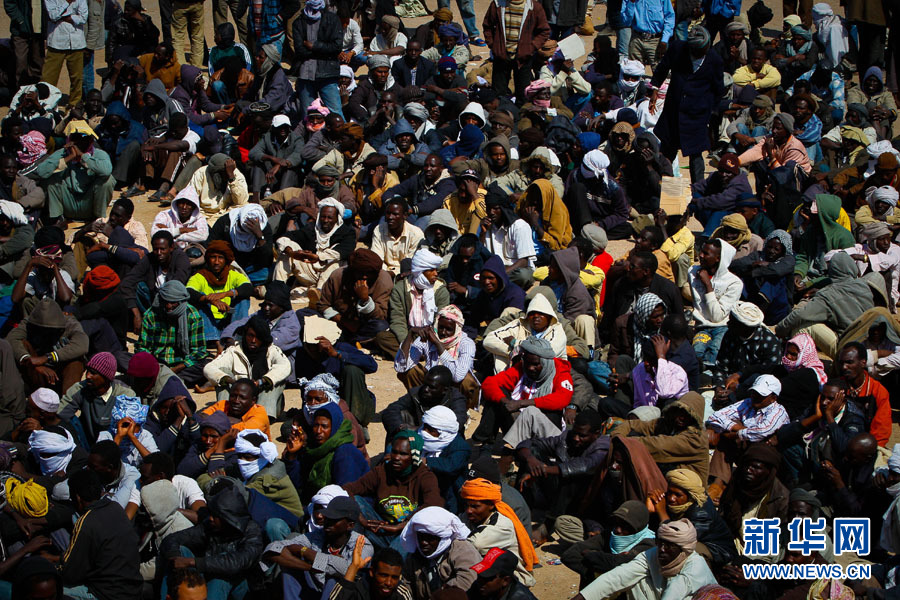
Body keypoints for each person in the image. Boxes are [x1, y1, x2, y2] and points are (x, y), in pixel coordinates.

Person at [159, 480, 266, 599]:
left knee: (222, 571)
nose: (210, 518)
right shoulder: (210, 527)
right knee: (180, 552)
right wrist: (176, 558)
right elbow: (172, 539)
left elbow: (236, 562)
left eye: (216, 516)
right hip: (208, 576)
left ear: (228, 518)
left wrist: (193, 562)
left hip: (240, 587)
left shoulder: (251, 531)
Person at [342, 430, 444, 550]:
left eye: (403, 454)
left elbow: (434, 504)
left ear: (414, 456)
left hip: (407, 533)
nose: (396, 458)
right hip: (382, 528)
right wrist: (360, 518)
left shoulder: (424, 476)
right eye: (394, 452)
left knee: (393, 555)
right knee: (355, 502)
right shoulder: (382, 471)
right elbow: (348, 489)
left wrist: (401, 526)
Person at [650, 27, 725, 183]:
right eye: (695, 50)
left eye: (702, 50)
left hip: (697, 114)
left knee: (696, 154)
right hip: (674, 110)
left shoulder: (714, 60)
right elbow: (663, 68)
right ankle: (664, 187)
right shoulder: (678, 48)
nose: (698, 53)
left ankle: (697, 191)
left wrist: (712, 114)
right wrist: (655, 89)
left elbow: (718, 89)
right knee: (667, 152)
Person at [573, 519, 717, 600]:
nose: (662, 549)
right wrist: (582, 597)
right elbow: (619, 576)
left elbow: (673, 593)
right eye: (661, 543)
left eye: (670, 546)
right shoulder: (653, 554)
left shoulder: (695, 566)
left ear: (683, 549)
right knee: (634, 579)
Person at [478, 336, 573, 455]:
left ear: (545, 362)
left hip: (544, 429)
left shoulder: (560, 372)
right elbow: (489, 383)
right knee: (496, 397)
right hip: (518, 422)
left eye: (535, 364)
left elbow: (562, 399)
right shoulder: (522, 368)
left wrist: (522, 403)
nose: (530, 368)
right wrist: (504, 401)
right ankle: (486, 445)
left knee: (552, 410)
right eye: (527, 363)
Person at [264, 495, 372, 599]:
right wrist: (310, 568)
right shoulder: (318, 535)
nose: (327, 522)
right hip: (316, 590)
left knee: (333, 579)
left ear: (350, 525)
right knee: (290, 564)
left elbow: (347, 569)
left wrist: (306, 552)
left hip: (344, 596)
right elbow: (273, 549)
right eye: (328, 517)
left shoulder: (362, 544)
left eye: (334, 520)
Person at [59, 469, 142, 599]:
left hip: (106, 594)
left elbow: (71, 574)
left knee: (52, 588)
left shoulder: (85, 522)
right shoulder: (115, 508)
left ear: (77, 497)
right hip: (133, 588)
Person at [203, 315, 291, 418]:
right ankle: (225, 415)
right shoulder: (234, 350)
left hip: (265, 404)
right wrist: (232, 382)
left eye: (258, 337)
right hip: (240, 404)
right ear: (245, 335)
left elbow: (285, 366)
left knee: (276, 378)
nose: (253, 340)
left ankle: (260, 418)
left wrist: (262, 381)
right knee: (222, 373)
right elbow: (209, 368)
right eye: (250, 336)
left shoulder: (272, 350)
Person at [24, 121, 114, 221]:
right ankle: (57, 219)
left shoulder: (98, 154)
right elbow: (41, 172)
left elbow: (106, 171)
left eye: (85, 137)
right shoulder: (62, 153)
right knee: (50, 178)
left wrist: (83, 157)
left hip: (88, 203)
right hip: (68, 202)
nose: (81, 141)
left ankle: (98, 219)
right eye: (77, 138)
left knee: (108, 180)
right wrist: (69, 157)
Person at [394, 304, 479, 407]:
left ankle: (459, 409)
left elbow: (458, 376)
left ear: (456, 329)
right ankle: (421, 404)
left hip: (453, 386)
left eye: (449, 329)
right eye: (441, 327)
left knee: (467, 381)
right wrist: (410, 334)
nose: (443, 332)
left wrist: (438, 345)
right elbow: (401, 367)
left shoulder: (467, 343)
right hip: (432, 385)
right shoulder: (428, 336)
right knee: (410, 371)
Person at [273, 198, 357, 301]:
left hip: (329, 276)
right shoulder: (312, 229)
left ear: (337, 218)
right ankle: (276, 292)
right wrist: (292, 253)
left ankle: (319, 294)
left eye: (330, 218)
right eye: (323, 217)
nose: (326, 220)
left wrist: (318, 257)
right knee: (285, 253)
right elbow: (286, 237)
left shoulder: (347, 232)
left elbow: (342, 251)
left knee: (337, 263)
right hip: (311, 272)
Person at [460, 477, 537, 587]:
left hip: (507, 579)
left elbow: (476, 543)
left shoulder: (502, 525)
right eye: (466, 505)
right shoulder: (469, 517)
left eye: (475, 506)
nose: (469, 511)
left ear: (491, 505)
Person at [287, 402, 370, 502]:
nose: (318, 431)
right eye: (316, 425)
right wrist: (292, 455)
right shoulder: (314, 448)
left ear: (334, 427)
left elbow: (344, 496)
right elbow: (300, 486)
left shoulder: (345, 453)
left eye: (324, 426)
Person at [7, 298, 89, 394]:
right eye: (42, 329)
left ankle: (67, 402)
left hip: (61, 369)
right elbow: (11, 339)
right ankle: (38, 397)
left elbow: (82, 345)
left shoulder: (70, 324)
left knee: (76, 362)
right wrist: (30, 361)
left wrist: (47, 357)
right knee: (23, 344)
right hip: (38, 372)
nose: (46, 332)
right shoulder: (29, 323)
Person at [136, 280, 209, 387]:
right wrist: (155, 367)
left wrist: (175, 369)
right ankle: (170, 380)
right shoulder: (151, 314)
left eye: (173, 302)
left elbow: (198, 351)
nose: (169, 306)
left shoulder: (193, 316)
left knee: (206, 366)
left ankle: (165, 380)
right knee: (123, 358)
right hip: (156, 364)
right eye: (166, 301)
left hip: (181, 365)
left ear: (181, 301)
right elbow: (143, 347)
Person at [399, 506, 482, 598]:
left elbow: (468, 580)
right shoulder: (415, 556)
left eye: (429, 538)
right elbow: (406, 585)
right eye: (421, 537)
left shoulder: (462, 549)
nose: (423, 542)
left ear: (442, 537)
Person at [482, 0, 551, 102]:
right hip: (501, 57)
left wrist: (531, 47)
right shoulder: (497, 5)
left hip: (523, 59)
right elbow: (487, 26)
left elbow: (544, 31)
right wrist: (494, 45)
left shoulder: (533, 7)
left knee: (523, 94)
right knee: (498, 93)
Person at [689, 239, 743, 369]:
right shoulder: (692, 272)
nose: (700, 256)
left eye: (706, 253)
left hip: (722, 326)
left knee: (715, 350)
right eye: (701, 251)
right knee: (697, 350)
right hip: (702, 325)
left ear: (718, 258)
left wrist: (708, 285)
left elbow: (717, 317)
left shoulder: (734, 283)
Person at [186, 240, 252, 341]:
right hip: (208, 324)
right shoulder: (200, 276)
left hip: (228, 320)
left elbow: (248, 288)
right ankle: (214, 340)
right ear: (208, 259)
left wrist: (224, 294)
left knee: (243, 299)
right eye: (213, 257)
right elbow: (188, 291)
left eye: (220, 258)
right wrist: (210, 300)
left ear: (226, 260)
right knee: (200, 298)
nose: (216, 262)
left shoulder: (233, 275)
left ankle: (237, 336)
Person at [382, 365, 468, 437]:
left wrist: (419, 430)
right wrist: (400, 428)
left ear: (444, 390)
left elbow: (456, 424)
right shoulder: (416, 393)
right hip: (416, 438)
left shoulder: (456, 399)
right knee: (402, 415)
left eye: (432, 387)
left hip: (443, 442)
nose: (426, 389)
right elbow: (391, 410)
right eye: (425, 384)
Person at [292, 0, 344, 118]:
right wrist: (324, 50)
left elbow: (336, 47)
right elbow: (300, 50)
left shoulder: (332, 19)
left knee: (335, 113)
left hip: (327, 74)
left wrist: (314, 46)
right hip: (306, 75)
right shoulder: (299, 22)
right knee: (308, 115)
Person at [41, 0, 87, 107]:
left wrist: (66, 18)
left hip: (76, 42)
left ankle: (74, 106)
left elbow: (83, 17)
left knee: (77, 79)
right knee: (49, 78)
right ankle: (46, 105)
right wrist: (67, 2)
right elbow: (53, 15)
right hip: (57, 41)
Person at [247, 114, 303, 200]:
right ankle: (256, 197)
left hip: (288, 178)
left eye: (285, 127)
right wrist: (271, 158)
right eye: (280, 127)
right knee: (258, 165)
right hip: (271, 176)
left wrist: (280, 164)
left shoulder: (296, 138)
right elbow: (253, 153)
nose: (283, 129)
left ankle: (281, 199)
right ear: (273, 128)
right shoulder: (268, 137)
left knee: (290, 169)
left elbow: (298, 155)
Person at [331, 544, 413, 600]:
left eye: (394, 577)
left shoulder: (401, 594)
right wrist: (353, 567)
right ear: (372, 572)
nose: (388, 583)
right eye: (384, 575)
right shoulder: (355, 585)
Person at [200, 378, 272, 439]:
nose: (236, 401)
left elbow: (238, 432)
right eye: (233, 396)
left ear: (253, 400)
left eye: (242, 397)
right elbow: (201, 417)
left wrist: (216, 422)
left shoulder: (260, 414)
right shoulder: (223, 404)